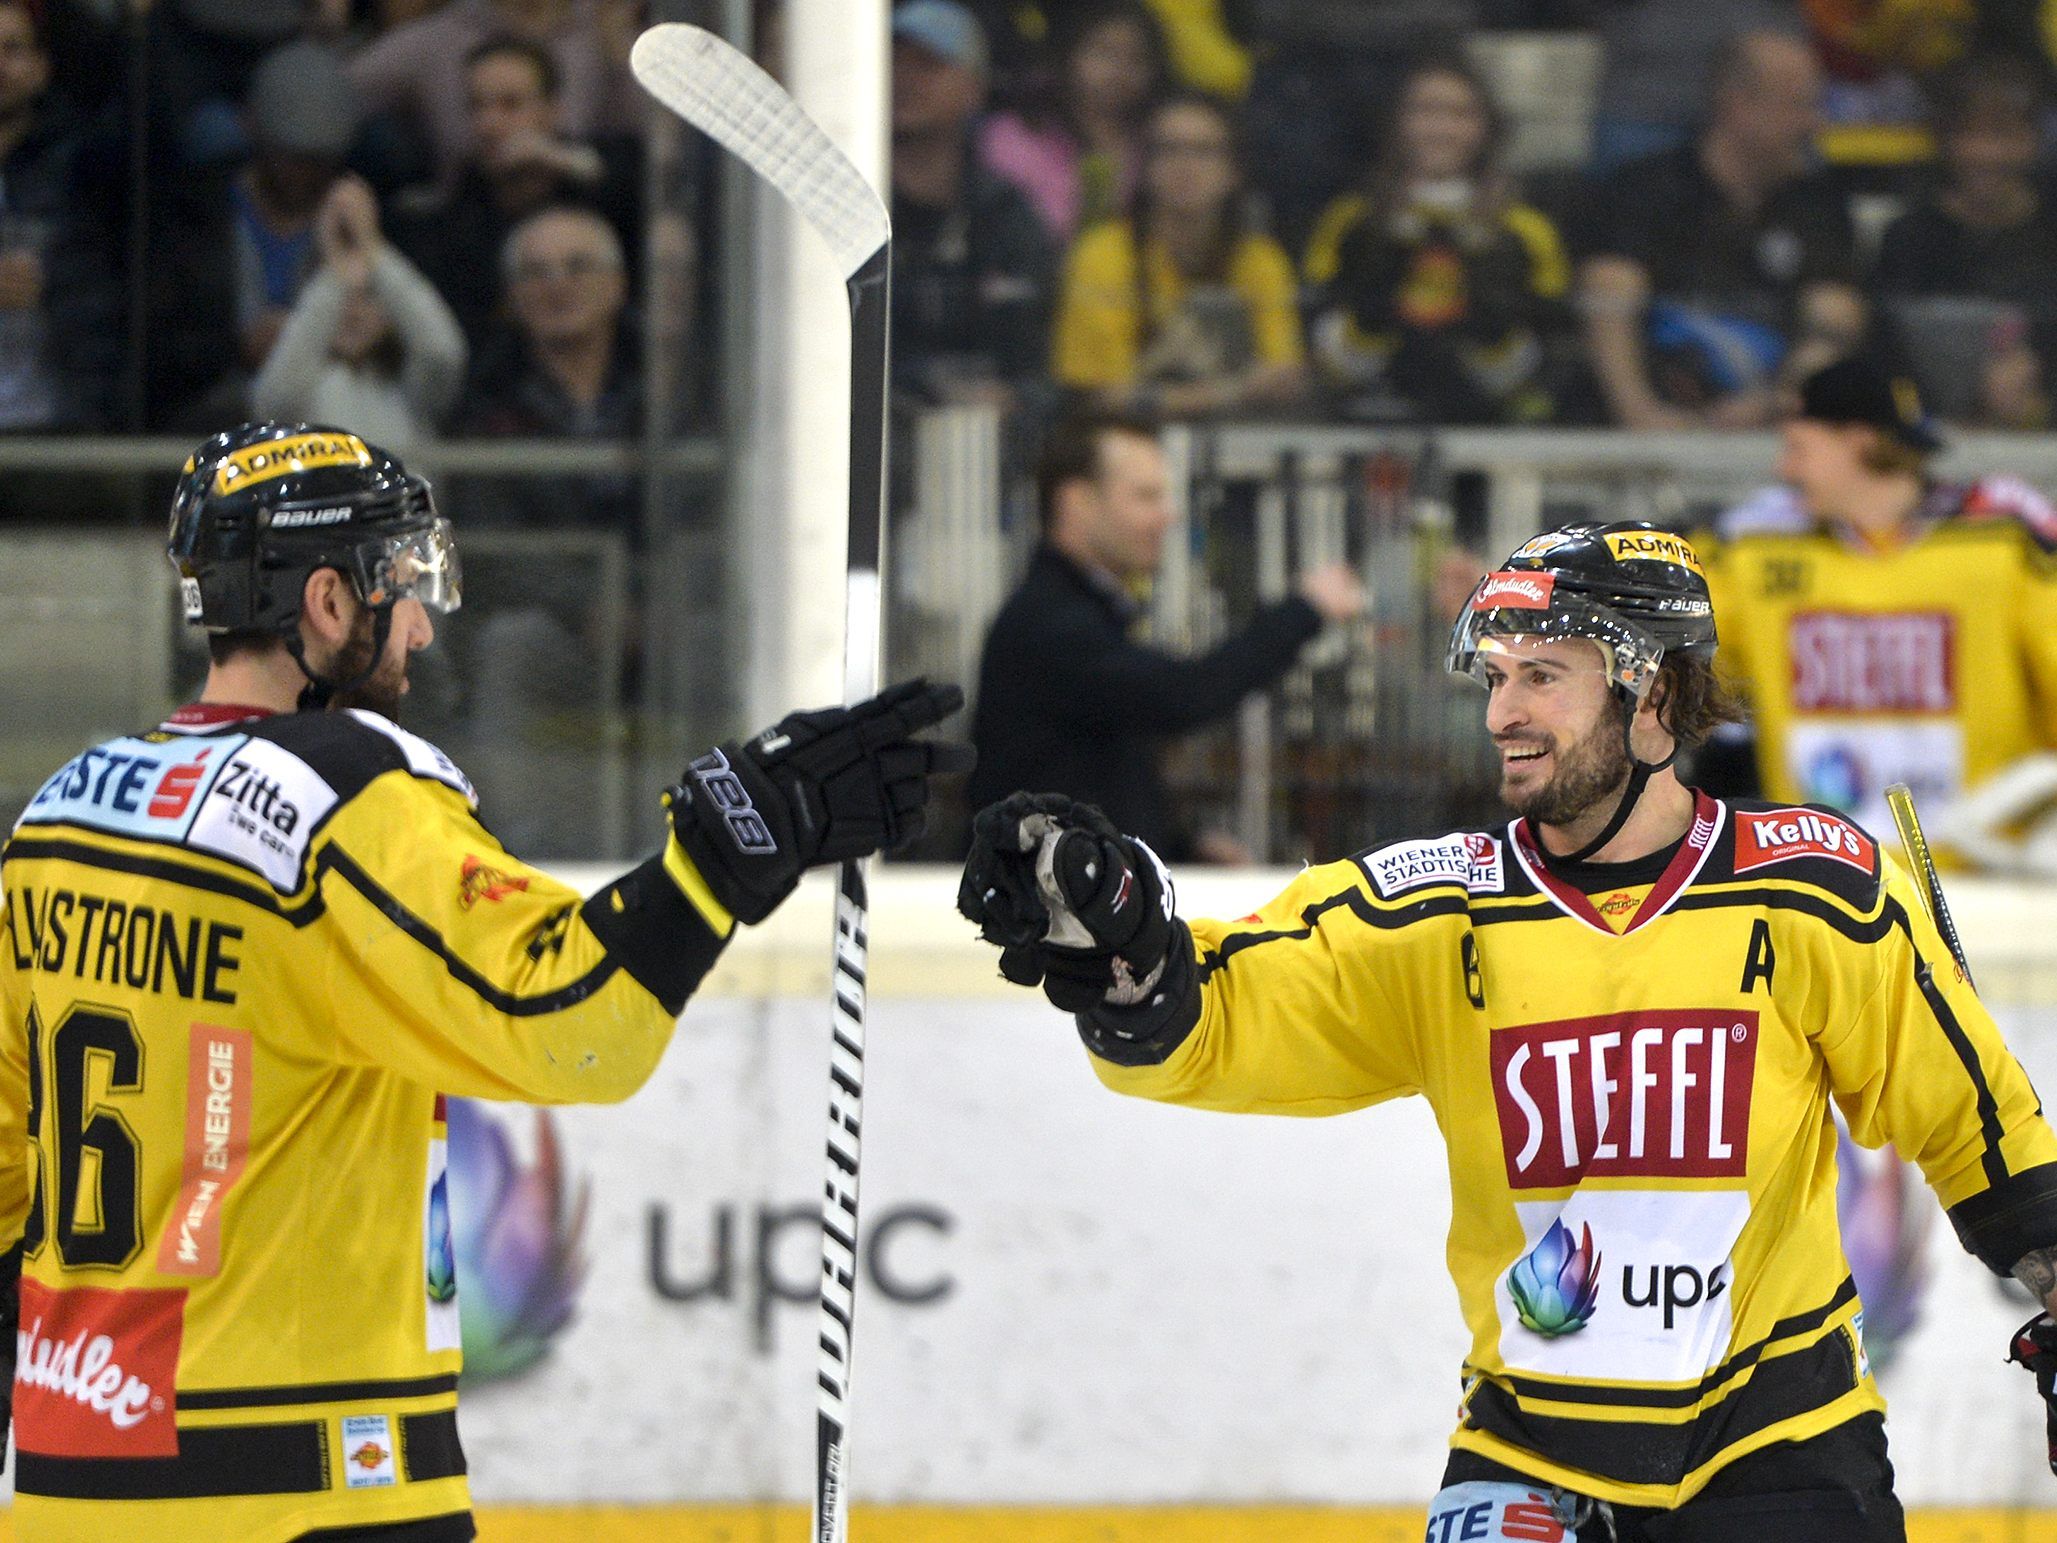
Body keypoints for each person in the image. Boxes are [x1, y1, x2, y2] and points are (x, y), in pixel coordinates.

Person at [960, 517, 2057, 1540]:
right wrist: (1121, 953)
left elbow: (1971, 1121)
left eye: (1542, 675)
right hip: (1524, 1454)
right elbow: (1216, 1013)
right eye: (1495, 677)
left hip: (1780, 1447)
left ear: (1653, 696)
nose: (1500, 713)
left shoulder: (1812, 888)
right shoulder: (1435, 906)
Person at [0, 421, 970, 1543]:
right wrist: (724, 855)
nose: (418, 621)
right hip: (301, 1492)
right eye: (404, 580)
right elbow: (566, 1025)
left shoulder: (61, 810)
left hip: (71, 1486)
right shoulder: (343, 794)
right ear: (325, 600)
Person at [967, 410, 1363, 863]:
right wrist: (1303, 611)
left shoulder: (1078, 614)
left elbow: (1092, 779)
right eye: (1146, 496)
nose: (1169, 516)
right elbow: (1185, 693)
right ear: (1076, 502)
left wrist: (1181, 852)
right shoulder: (1048, 624)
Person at [1699, 355, 2057, 852]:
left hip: (1989, 884)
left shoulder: (2003, 539)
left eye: (1799, 447)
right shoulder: (1755, 549)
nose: (1785, 468)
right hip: (1819, 884)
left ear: (1858, 444)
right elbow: (1678, 668)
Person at [1580, 29, 1865, 431]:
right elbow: (1607, 292)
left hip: (1775, 429)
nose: (1815, 123)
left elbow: (1833, 319)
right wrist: (1642, 416)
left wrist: (1775, 404)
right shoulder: (1642, 189)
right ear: (1739, 106)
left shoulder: (1819, 206)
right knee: (1609, 283)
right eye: (1800, 106)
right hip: (1648, 423)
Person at [1303, 50, 1569, 425]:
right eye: (1425, 111)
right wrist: (1372, 318)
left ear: (1487, 127)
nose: (1441, 130)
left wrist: (1489, 329)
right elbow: (1327, 365)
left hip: (1486, 426)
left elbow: (1540, 369)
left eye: (1460, 114)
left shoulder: (1526, 229)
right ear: (1396, 123)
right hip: (1370, 422)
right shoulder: (1351, 220)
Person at [1053, 91, 1305, 416]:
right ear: (1144, 168)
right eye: (1168, 150)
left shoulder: (1260, 259)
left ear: (1234, 171)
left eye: (1204, 151)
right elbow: (1102, 395)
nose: (1185, 165)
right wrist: (1232, 391)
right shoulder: (1101, 253)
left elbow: (1283, 376)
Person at [391, 35, 642, 354]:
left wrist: (558, 159)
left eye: (510, 105)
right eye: (477, 106)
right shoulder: (451, 223)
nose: (489, 124)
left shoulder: (602, 181)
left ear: (553, 111)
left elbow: (644, 182)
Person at [1874, 53, 2057, 430]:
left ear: (2033, 140)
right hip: (1932, 436)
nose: (1984, 153)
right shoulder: (1909, 238)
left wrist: (2038, 368)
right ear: (1945, 141)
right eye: (1968, 133)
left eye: (2003, 134)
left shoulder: (2049, 232)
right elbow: (1885, 350)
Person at [890, 0, 1055, 408]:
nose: (904, 80)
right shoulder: (852, 209)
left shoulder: (1008, 216)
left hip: (985, 443)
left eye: (928, 65)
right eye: (893, 63)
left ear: (974, 90)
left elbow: (1040, 365)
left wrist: (1012, 396)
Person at [251, 174, 468, 453]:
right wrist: (335, 273)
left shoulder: (410, 390)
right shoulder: (299, 392)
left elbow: (442, 352)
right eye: (342, 300)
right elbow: (276, 393)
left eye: (367, 297)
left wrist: (374, 249)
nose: (352, 312)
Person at [348, 0, 645, 191]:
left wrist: (620, 56)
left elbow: (651, 142)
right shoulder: (439, 37)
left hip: (584, 211)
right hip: (467, 224)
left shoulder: (598, 29)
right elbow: (339, 94)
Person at [979, 0, 1169, 246]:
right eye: (1105, 52)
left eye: (1137, 59)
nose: (1120, 71)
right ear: (1070, 54)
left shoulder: (1159, 140)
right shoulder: (1012, 134)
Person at [232, 40, 360, 376]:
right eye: (291, 157)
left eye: (318, 161)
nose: (305, 174)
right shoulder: (212, 217)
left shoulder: (350, 216)